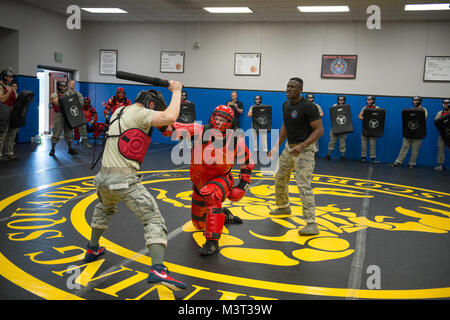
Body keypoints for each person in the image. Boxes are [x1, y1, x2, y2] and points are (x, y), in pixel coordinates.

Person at [84, 80, 187, 291]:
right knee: (153, 218)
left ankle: (92, 248)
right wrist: (177, 91)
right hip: (122, 180)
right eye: (155, 109)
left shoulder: (120, 110)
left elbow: (162, 126)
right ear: (150, 105)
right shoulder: (141, 114)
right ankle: (158, 269)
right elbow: (170, 117)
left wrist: (168, 126)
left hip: (103, 178)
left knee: (105, 208)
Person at [167, 105, 254, 256]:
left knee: (212, 195)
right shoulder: (199, 130)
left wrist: (242, 185)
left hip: (221, 179)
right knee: (199, 224)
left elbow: (247, 162)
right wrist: (158, 117)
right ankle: (225, 215)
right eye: (217, 119)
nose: (218, 122)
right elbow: (171, 130)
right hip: (200, 183)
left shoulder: (235, 140)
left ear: (229, 122)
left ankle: (212, 243)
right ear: (213, 117)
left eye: (222, 120)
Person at [268, 77, 324, 235]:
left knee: (303, 184)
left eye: (292, 87)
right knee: (280, 177)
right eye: (287, 86)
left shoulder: (309, 107)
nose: (288, 89)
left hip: (305, 150)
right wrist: (276, 146)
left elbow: (319, 130)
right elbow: (286, 125)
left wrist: (302, 146)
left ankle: (311, 223)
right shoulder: (286, 105)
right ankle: (284, 207)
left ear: (300, 90)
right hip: (289, 148)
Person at [390, 96, 428, 168]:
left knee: (415, 150)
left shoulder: (423, 110)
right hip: (409, 132)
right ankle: (398, 162)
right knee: (404, 147)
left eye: (416, 101)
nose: (415, 102)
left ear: (420, 101)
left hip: (418, 133)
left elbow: (424, 119)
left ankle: (412, 163)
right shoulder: (410, 110)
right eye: (414, 100)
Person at [49, 81, 78, 156]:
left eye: (64, 86)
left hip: (68, 114)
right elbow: (58, 104)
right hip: (60, 115)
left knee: (69, 132)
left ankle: (70, 148)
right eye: (61, 86)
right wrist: (68, 103)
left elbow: (74, 104)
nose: (63, 88)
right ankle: (52, 149)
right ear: (58, 86)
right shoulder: (54, 95)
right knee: (56, 132)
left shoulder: (69, 94)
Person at [0, 68, 18, 161]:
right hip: (2, 114)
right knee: (2, 134)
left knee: (12, 134)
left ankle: (9, 153)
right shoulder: (1, 86)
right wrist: (9, 91)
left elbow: (16, 100)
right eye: (8, 77)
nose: (10, 78)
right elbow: (1, 99)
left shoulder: (11, 88)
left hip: (11, 114)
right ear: (4, 77)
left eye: (11, 77)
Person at [68, 80, 91, 149]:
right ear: (69, 84)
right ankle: (70, 146)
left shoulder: (78, 94)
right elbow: (63, 103)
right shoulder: (65, 94)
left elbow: (81, 103)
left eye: (74, 84)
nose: (73, 85)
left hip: (77, 113)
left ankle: (85, 143)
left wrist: (72, 102)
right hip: (68, 113)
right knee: (68, 131)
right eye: (71, 84)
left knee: (83, 128)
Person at [358, 95, 380, 163]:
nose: (369, 101)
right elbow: (359, 116)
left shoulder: (377, 108)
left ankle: (373, 158)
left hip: (373, 129)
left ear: (373, 100)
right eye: (368, 100)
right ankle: (363, 157)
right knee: (363, 144)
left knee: (372, 144)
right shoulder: (365, 108)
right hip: (365, 129)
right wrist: (366, 119)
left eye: (370, 100)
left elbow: (380, 118)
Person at [326, 95, 348, 161]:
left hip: (343, 127)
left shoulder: (346, 107)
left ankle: (343, 156)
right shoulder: (334, 106)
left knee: (342, 142)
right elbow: (332, 114)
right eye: (339, 100)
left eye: (342, 100)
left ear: (344, 101)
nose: (340, 101)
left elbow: (348, 118)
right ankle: (328, 155)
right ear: (337, 100)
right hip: (335, 127)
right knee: (332, 141)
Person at [434, 98, 450, 171]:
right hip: (443, 135)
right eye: (444, 103)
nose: (446, 105)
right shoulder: (440, 113)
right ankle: (440, 165)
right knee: (440, 148)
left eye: (447, 103)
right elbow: (436, 122)